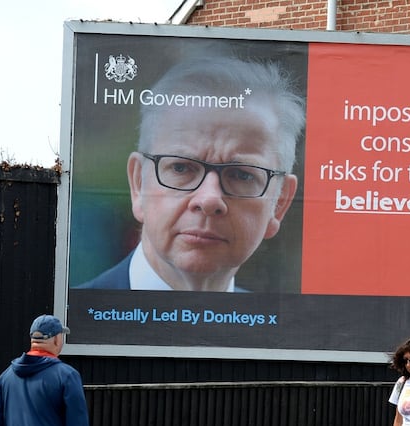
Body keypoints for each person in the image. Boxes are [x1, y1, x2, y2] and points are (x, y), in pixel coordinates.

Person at [78, 54, 306, 291]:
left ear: (279, 203)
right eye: (181, 167)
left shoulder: (291, 328)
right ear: (138, 184)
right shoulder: (69, 320)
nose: (209, 199)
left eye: (242, 175)